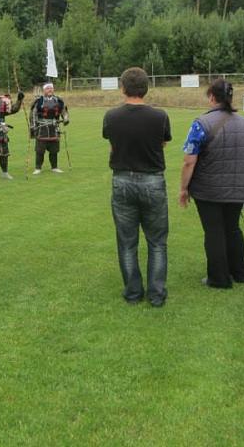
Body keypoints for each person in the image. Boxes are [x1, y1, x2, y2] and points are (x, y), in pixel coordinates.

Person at [102, 67, 171, 307]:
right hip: (152, 180)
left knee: (127, 242)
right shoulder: (160, 116)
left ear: (123, 88)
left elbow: (112, 144)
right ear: (146, 88)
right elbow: (162, 143)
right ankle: (156, 294)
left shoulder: (111, 116)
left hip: (122, 180)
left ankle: (133, 292)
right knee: (157, 242)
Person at [180, 79, 244, 288]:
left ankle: (219, 278)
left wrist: (183, 188)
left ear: (212, 97)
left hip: (209, 189)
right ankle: (240, 272)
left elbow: (189, 160)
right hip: (238, 186)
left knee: (214, 232)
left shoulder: (201, 123)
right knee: (232, 229)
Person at [30, 82, 69, 174]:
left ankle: (54, 167)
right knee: (40, 150)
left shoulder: (58, 100)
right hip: (42, 128)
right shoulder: (39, 101)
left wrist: (66, 118)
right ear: (44, 90)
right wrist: (33, 126)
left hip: (54, 128)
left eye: (51, 88)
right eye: (48, 88)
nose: (50, 90)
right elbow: (33, 114)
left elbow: (64, 111)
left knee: (54, 150)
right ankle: (38, 168)